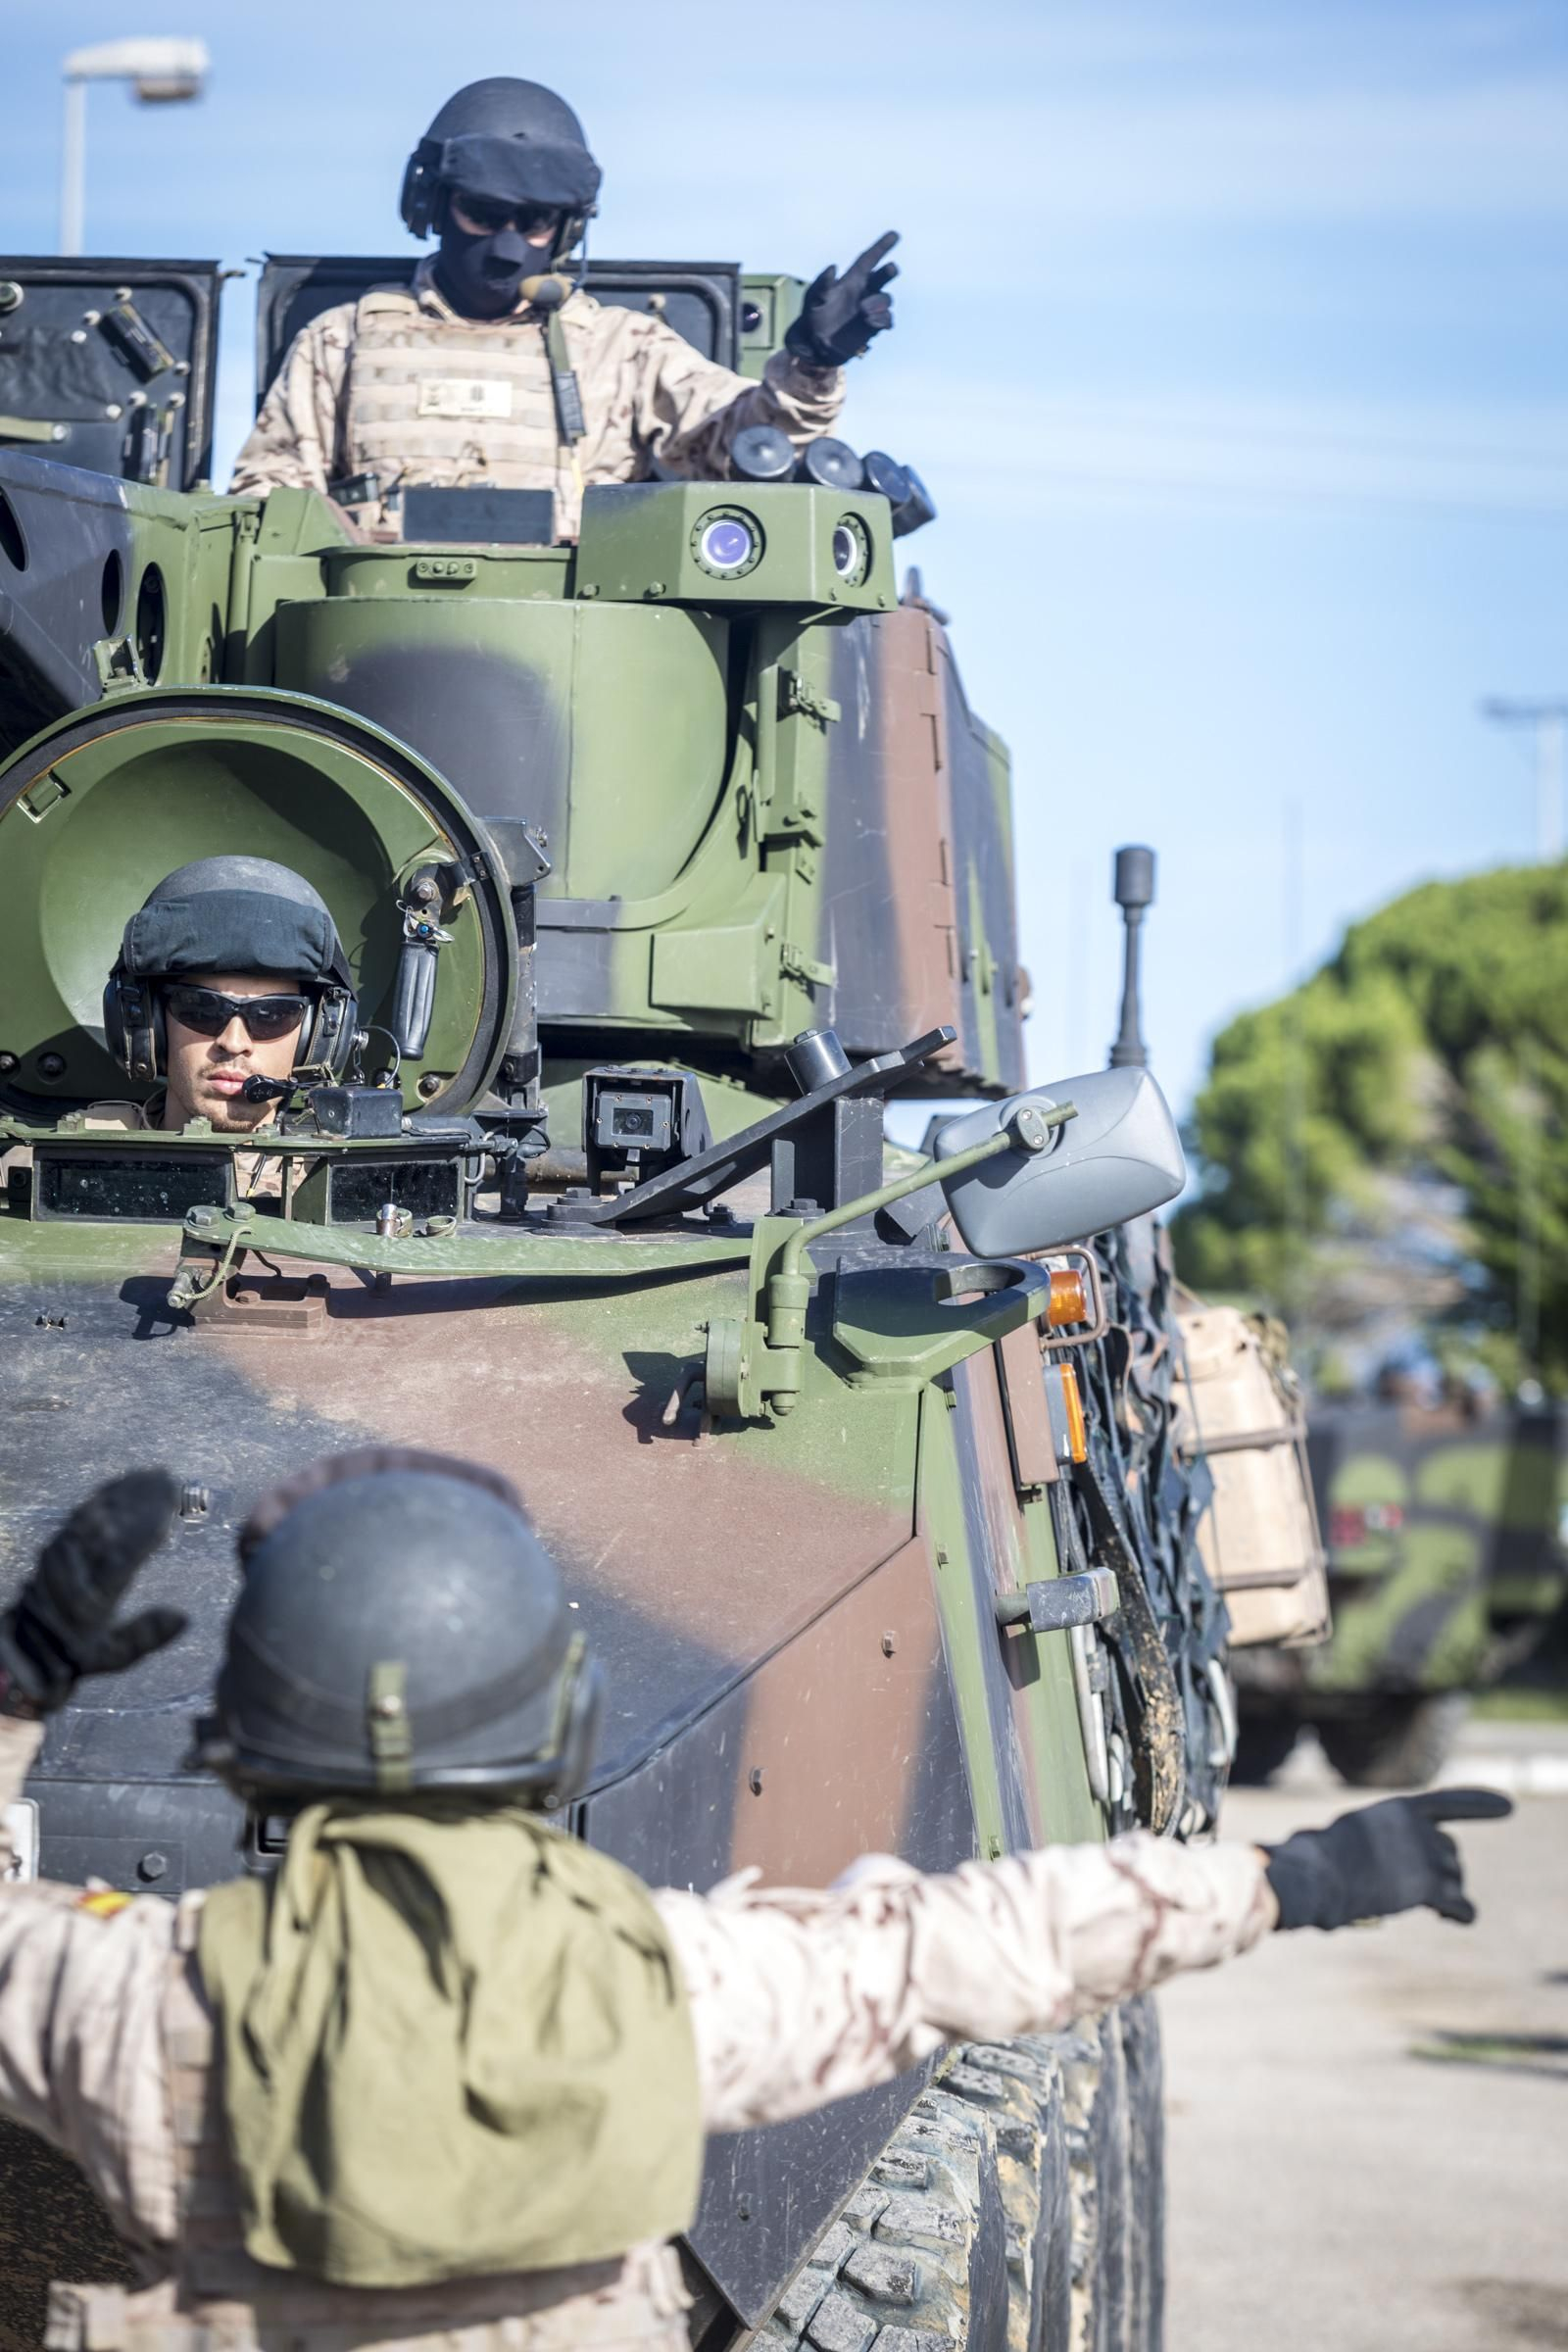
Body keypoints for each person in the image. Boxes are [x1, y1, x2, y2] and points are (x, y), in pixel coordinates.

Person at [0, 1453, 1509, 2349]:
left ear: (248, 1747)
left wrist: (18, 1701)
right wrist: (1290, 1878)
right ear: (551, 1726)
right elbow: (960, 1949)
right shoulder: (673, 1989)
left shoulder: (137, 2005)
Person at [228, 77, 900, 541]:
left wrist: (812, 362)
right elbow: (268, 500)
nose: (507, 245)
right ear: (434, 204)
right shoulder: (342, 343)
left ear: (568, 230)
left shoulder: (621, 350)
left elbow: (746, 449)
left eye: (535, 222)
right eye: (483, 214)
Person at [90, 856, 358, 1172]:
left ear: (317, 1038)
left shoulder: (357, 1192)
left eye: (271, 1014)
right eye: (201, 1007)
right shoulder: (54, 1167)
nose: (233, 1042)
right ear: (148, 1021)